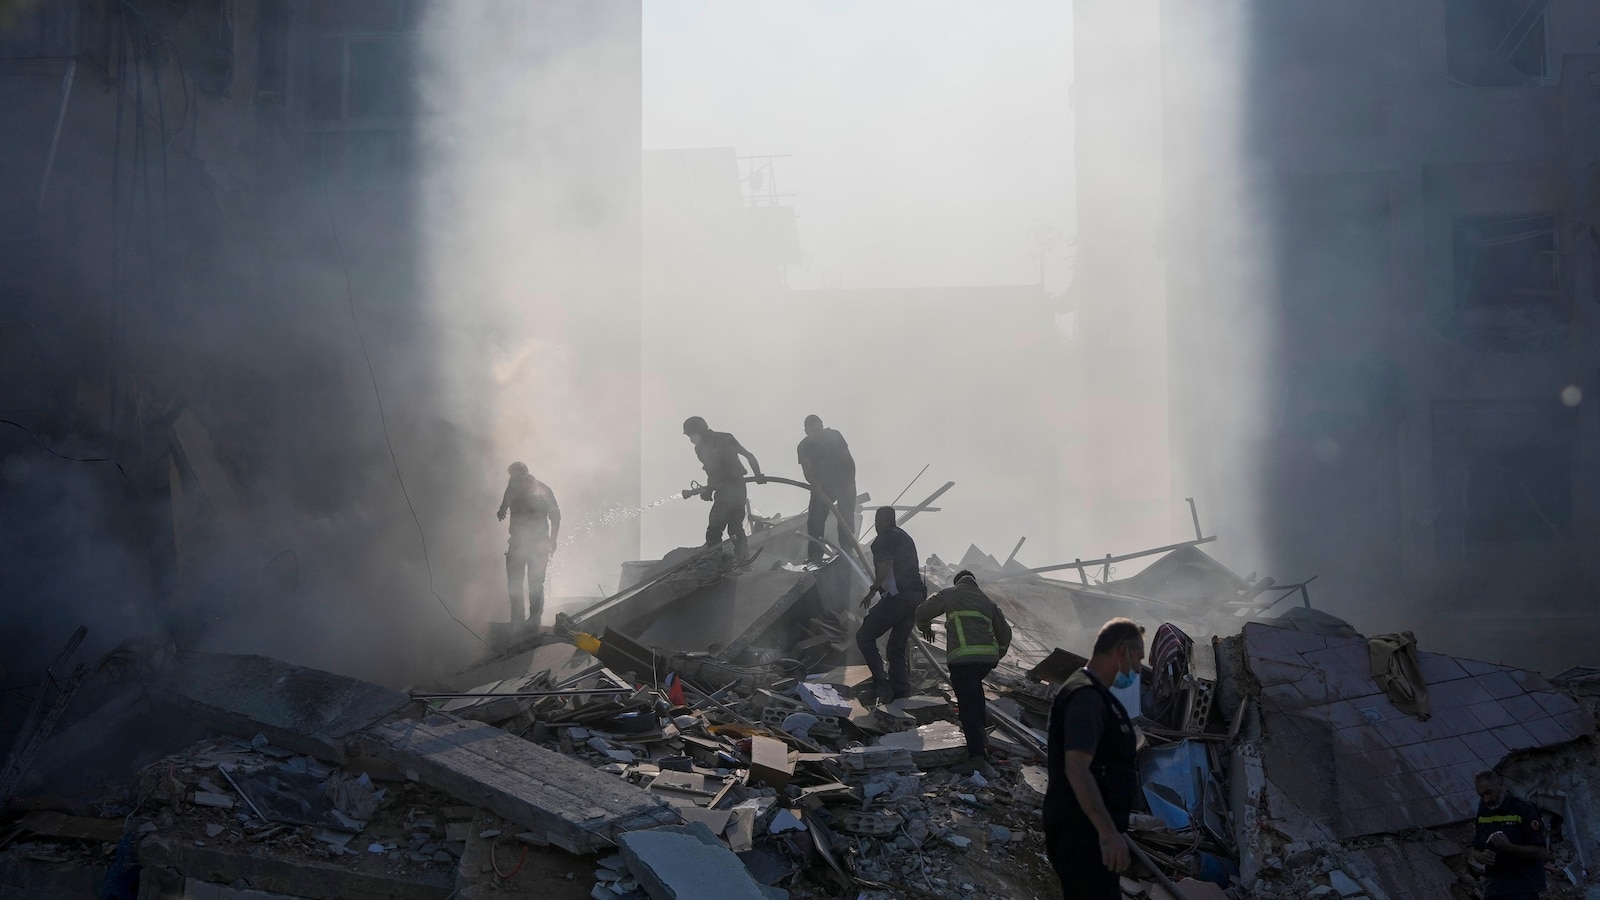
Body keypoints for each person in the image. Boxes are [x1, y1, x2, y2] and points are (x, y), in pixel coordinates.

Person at [1043, 617, 1146, 900]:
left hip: (1088, 831)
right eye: (1137, 658)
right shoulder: (1085, 697)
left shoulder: (1097, 695)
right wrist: (1107, 832)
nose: (1138, 668)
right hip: (1081, 832)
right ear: (1122, 652)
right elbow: (1077, 767)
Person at [916, 570, 1012, 776]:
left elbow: (923, 611)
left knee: (968, 706)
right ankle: (982, 742)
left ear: (958, 581)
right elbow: (1005, 634)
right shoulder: (987, 601)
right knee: (976, 696)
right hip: (985, 660)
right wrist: (997, 654)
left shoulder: (951, 593)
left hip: (963, 659)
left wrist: (925, 627)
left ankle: (977, 758)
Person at [856, 506, 926, 704]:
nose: (875, 525)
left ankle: (881, 684)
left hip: (898, 597)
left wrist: (872, 590)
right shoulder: (905, 537)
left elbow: (886, 565)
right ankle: (901, 692)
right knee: (896, 647)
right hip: (915, 597)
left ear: (882, 521)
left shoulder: (885, 536)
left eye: (877, 520)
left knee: (865, 635)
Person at [682, 416, 764, 559]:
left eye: (691, 435)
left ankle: (716, 561)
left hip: (726, 490)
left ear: (698, 431)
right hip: (739, 487)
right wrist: (757, 474)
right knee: (735, 527)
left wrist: (708, 490)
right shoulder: (726, 437)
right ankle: (743, 560)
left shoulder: (701, 448)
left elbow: (713, 470)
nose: (690, 439)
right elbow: (748, 456)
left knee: (714, 529)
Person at [496, 462, 560, 629]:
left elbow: (556, 516)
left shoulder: (543, 490)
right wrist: (502, 509)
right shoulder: (513, 488)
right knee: (515, 583)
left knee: (535, 583)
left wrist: (553, 540)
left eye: (515, 477)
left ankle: (533, 621)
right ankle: (517, 620)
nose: (514, 481)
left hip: (538, 544)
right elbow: (505, 503)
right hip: (518, 543)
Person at [1472, 769, 1550, 899]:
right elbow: (1475, 850)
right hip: (1494, 889)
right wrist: (1482, 857)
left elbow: (1540, 851)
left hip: (1522, 888)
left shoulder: (1524, 809)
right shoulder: (1483, 810)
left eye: (1489, 792)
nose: (1486, 799)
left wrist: (1509, 847)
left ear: (1500, 785)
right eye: (1481, 795)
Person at [795, 414, 857, 563]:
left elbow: (848, 460)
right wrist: (816, 486)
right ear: (806, 432)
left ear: (822, 425)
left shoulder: (834, 436)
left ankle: (847, 549)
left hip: (844, 482)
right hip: (821, 487)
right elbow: (807, 470)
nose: (816, 434)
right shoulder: (803, 446)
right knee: (815, 521)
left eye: (818, 429)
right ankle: (815, 556)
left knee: (846, 516)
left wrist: (850, 483)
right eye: (812, 432)